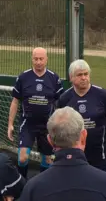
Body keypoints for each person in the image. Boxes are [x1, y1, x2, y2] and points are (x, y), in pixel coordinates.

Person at [8, 47, 64, 176]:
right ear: (32, 59)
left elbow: (60, 103)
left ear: (46, 59)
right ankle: (22, 184)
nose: (38, 62)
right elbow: (15, 101)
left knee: (47, 159)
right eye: (36, 59)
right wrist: (10, 124)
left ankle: (42, 186)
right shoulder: (23, 77)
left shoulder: (54, 78)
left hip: (47, 125)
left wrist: (59, 123)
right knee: (22, 157)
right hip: (28, 123)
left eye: (41, 59)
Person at [57, 59, 106, 171]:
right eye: (79, 75)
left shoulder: (103, 95)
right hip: (76, 153)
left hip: (101, 153)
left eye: (86, 74)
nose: (84, 78)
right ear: (71, 77)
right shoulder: (64, 98)